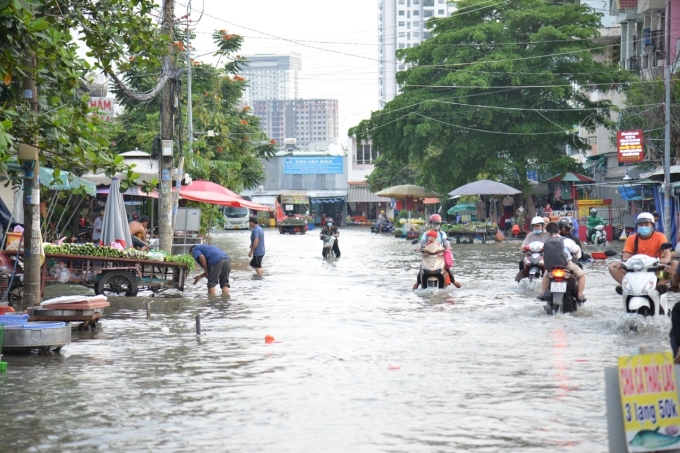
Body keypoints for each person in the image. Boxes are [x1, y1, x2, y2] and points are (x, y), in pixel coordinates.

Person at [608, 212, 677, 287]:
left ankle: (658, 287)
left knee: (675, 264)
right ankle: (627, 287)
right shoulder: (631, 238)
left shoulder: (660, 237)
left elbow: (667, 252)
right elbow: (625, 256)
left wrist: (666, 259)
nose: (644, 227)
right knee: (612, 267)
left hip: (656, 272)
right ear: (637, 226)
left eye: (647, 224)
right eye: (641, 225)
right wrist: (621, 262)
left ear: (652, 226)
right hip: (635, 271)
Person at [540, 221, 586, 302]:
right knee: (581, 276)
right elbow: (576, 250)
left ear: (548, 233)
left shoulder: (546, 241)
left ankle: (543, 293)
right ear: (559, 231)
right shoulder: (566, 240)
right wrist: (578, 257)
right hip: (566, 264)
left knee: (546, 275)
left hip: (551, 266)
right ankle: (580, 295)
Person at [415, 214, 461, 288]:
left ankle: (453, 281)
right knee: (422, 269)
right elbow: (422, 242)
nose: (436, 225)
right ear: (430, 223)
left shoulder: (442, 233)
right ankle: (417, 283)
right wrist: (419, 247)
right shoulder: (426, 234)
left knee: (447, 269)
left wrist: (448, 246)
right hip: (427, 255)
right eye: (435, 223)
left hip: (439, 255)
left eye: (438, 223)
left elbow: (445, 241)